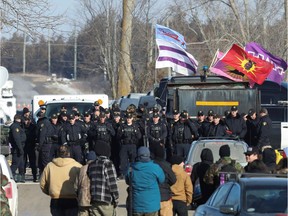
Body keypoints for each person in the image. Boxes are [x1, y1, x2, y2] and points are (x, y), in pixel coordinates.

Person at [40, 145, 82, 216]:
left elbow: (42, 184)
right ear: (69, 153)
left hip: (55, 200)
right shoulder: (78, 166)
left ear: (58, 153)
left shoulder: (49, 166)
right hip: (72, 200)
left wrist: (51, 192)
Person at [125, 146, 165, 216]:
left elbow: (128, 181)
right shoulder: (155, 167)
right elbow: (162, 180)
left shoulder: (131, 168)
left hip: (136, 205)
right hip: (152, 205)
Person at [87, 143, 119, 216]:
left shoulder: (91, 165)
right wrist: (116, 198)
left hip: (94, 200)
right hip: (106, 201)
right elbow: (112, 184)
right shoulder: (108, 164)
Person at [153, 144, 176, 216]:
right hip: (165, 197)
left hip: (152, 198)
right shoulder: (167, 165)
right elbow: (173, 180)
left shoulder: (150, 165)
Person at [117, 113, 142, 179]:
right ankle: (123, 174)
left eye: (129, 118)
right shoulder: (122, 126)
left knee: (133, 160)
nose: (128, 119)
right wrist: (121, 133)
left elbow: (139, 136)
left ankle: (134, 173)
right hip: (124, 145)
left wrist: (136, 132)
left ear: (132, 119)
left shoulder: (135, 126)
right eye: (127, 118)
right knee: (123, 160)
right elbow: (118, 136)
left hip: (132, 145)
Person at [74, 151, 97, 216]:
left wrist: (79, 196)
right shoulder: (96, 168)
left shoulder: (81, 169)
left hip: (82, 200)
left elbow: (75, 187)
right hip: (94, 200)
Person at [9, 114, 26, 182]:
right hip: (17, 149)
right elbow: (17, 139)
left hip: (19, 147)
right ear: (18, 119)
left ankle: (21, 177)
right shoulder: (15, 127)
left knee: (21, 164)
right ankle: (9, 176)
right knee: (15, 164)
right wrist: (20, 149)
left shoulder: (18, 126)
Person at [23, 116, 38, 182]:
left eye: (28, 120)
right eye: (26, 120)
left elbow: (36, 135)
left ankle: (34, 176)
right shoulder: (22, 126)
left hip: (31, 146)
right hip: (24, 146)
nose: (27, 122)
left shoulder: (33, 127)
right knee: (23, 162)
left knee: (33, 162)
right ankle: (22, 176)